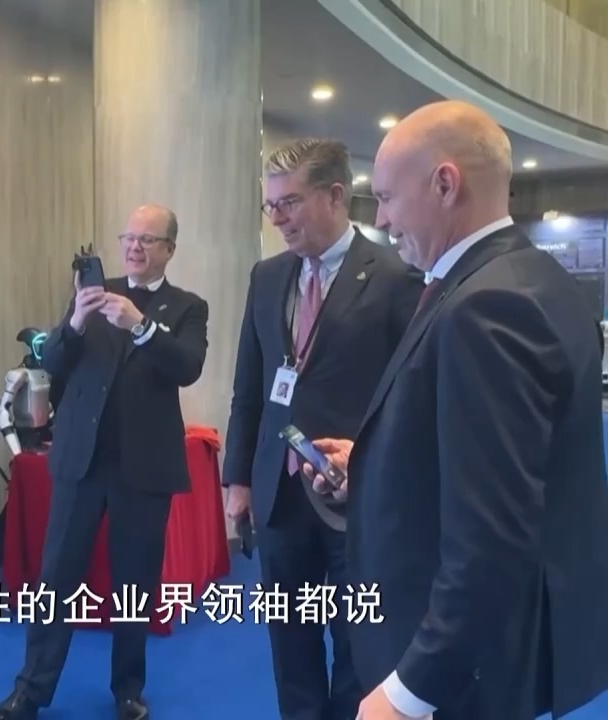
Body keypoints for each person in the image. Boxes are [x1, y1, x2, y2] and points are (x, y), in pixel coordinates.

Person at [304, 101, 608, 720]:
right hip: (483, 655)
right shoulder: (527, 278)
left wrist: (410, 691)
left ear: (445, 184)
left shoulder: (485, 307)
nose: (382, 219)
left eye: (387, 198)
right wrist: (373, 467)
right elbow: (489, 464)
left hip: (456, 674)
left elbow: (493, 536)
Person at [222, 139, 424, 720]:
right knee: (289, 643)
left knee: (359, 647)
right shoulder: (267, 277)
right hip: (279, 496)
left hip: (355, 497)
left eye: (289, 203)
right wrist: (238, 478)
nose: (278, 218)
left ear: (336, 195)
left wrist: (376, 467)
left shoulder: (395, 278)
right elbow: (250, 386)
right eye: (270, 206)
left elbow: (411, 398)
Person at [0, 204, 209, 720]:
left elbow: (188, 367)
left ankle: (128, 689)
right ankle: (30, 689)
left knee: (135, 583)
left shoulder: (187, 306)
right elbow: (51, 363)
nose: (134, 247)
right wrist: (74, 322)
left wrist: (142, 327)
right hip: (80, 461)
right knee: (56, 579)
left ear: (169, 249)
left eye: (147, 239)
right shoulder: (91, 294)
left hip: (144, 466)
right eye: (128, 237)